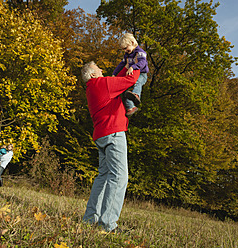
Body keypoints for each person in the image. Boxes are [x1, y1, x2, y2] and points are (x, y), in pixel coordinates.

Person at [81, 61, 140, 233]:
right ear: (93, 74)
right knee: (119, 177)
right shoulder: (102, 83)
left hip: (102, 135)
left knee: (104, 176)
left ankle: (89, 219)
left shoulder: (92, 88)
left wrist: (127, 62)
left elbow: (119, 77)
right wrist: (138, 63)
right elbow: (130, 80)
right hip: (114, 133)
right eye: (99, 68)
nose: (102, 69)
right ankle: (107, 224)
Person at [112, 33, 149, 117]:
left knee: (137, 83)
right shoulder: (127, 55)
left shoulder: (140, 52)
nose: (125, 50)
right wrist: (114, 73)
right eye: (123, 49)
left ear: (132, 43)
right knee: (126, 91)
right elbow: (121, 64)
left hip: (142, 74)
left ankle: (136, 95)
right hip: (132, 75)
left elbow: (142, 62)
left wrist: (133, 67)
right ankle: (130, 107)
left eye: (126, 48)